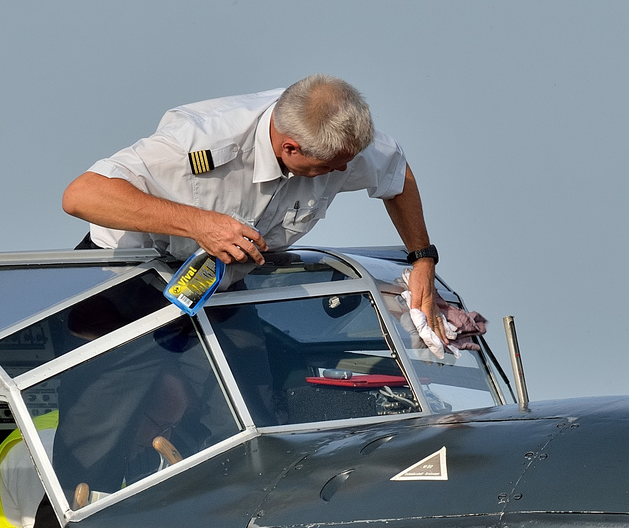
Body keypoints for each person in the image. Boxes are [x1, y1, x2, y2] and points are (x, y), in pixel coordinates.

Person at [62, 74, 444, 346]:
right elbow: (82, 195)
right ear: (291, 148)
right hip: (120, 282)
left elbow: (397, 173)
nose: (345, 172)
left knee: (260, 399)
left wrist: (422, 259)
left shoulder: (341, 143)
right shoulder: (200, 139)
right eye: (330, 167)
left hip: (216, 290)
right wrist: (199, 224)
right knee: (108, 421)